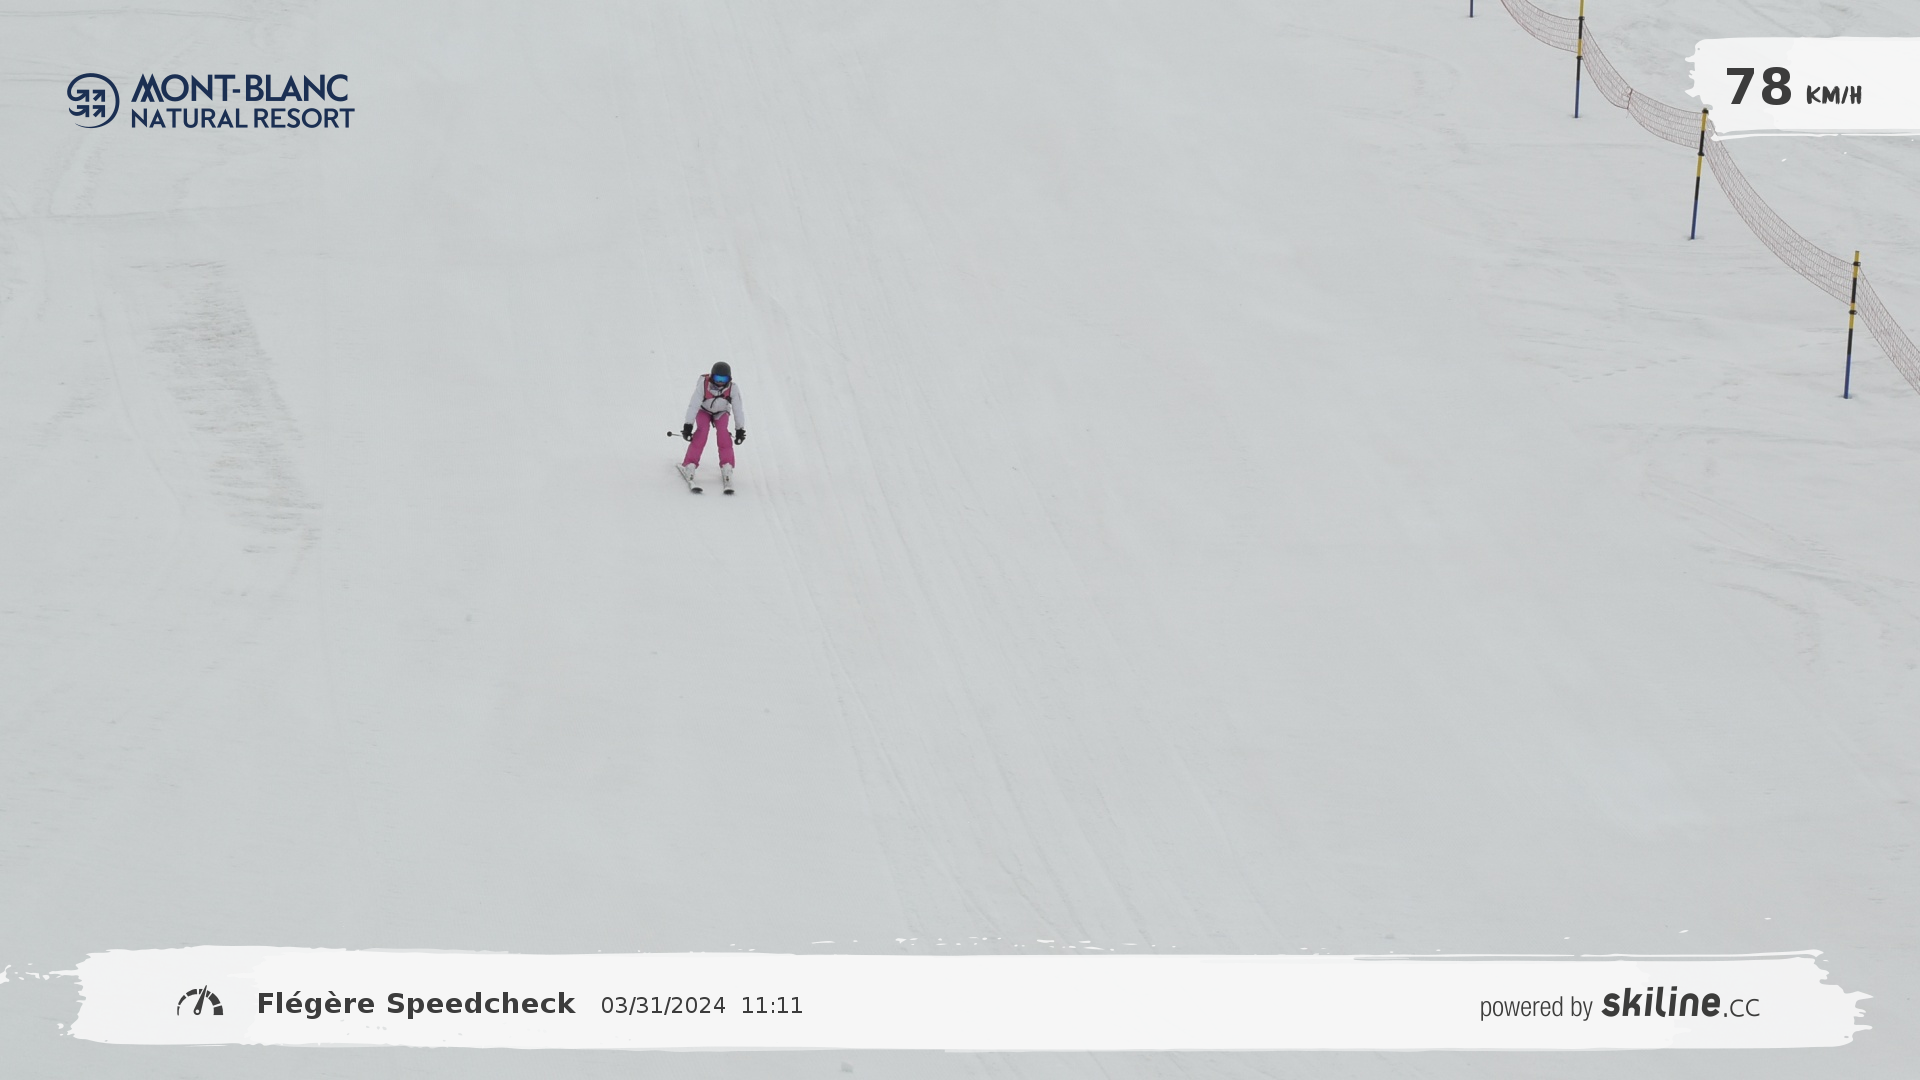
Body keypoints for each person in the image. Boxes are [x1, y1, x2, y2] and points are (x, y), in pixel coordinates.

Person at [679, 361, 745, 489]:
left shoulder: (733, 388)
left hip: (721, 412)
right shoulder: (703, 386)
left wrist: (740, 430)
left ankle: (727, 465)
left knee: (723, 432)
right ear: (712, 377)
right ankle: (690, 464)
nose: (720, 382)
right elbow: (693, 405)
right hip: (703, 410)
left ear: (729, 379)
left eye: (723, 379)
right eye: (717, 378)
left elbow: (738, 409)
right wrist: (688, 425)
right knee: (702, 431)